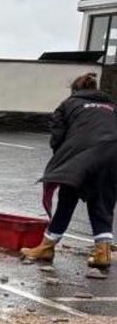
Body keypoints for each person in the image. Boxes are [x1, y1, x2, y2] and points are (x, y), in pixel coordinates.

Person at [21, 73, 117, 267]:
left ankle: (46, 247)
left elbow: (57, 138)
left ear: (75, 90)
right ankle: (102, 252)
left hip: (80, 153)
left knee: (67, 198)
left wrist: (63, 163)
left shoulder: (68, 105)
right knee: (102, 201)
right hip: (113, 155)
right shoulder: (112, 107)